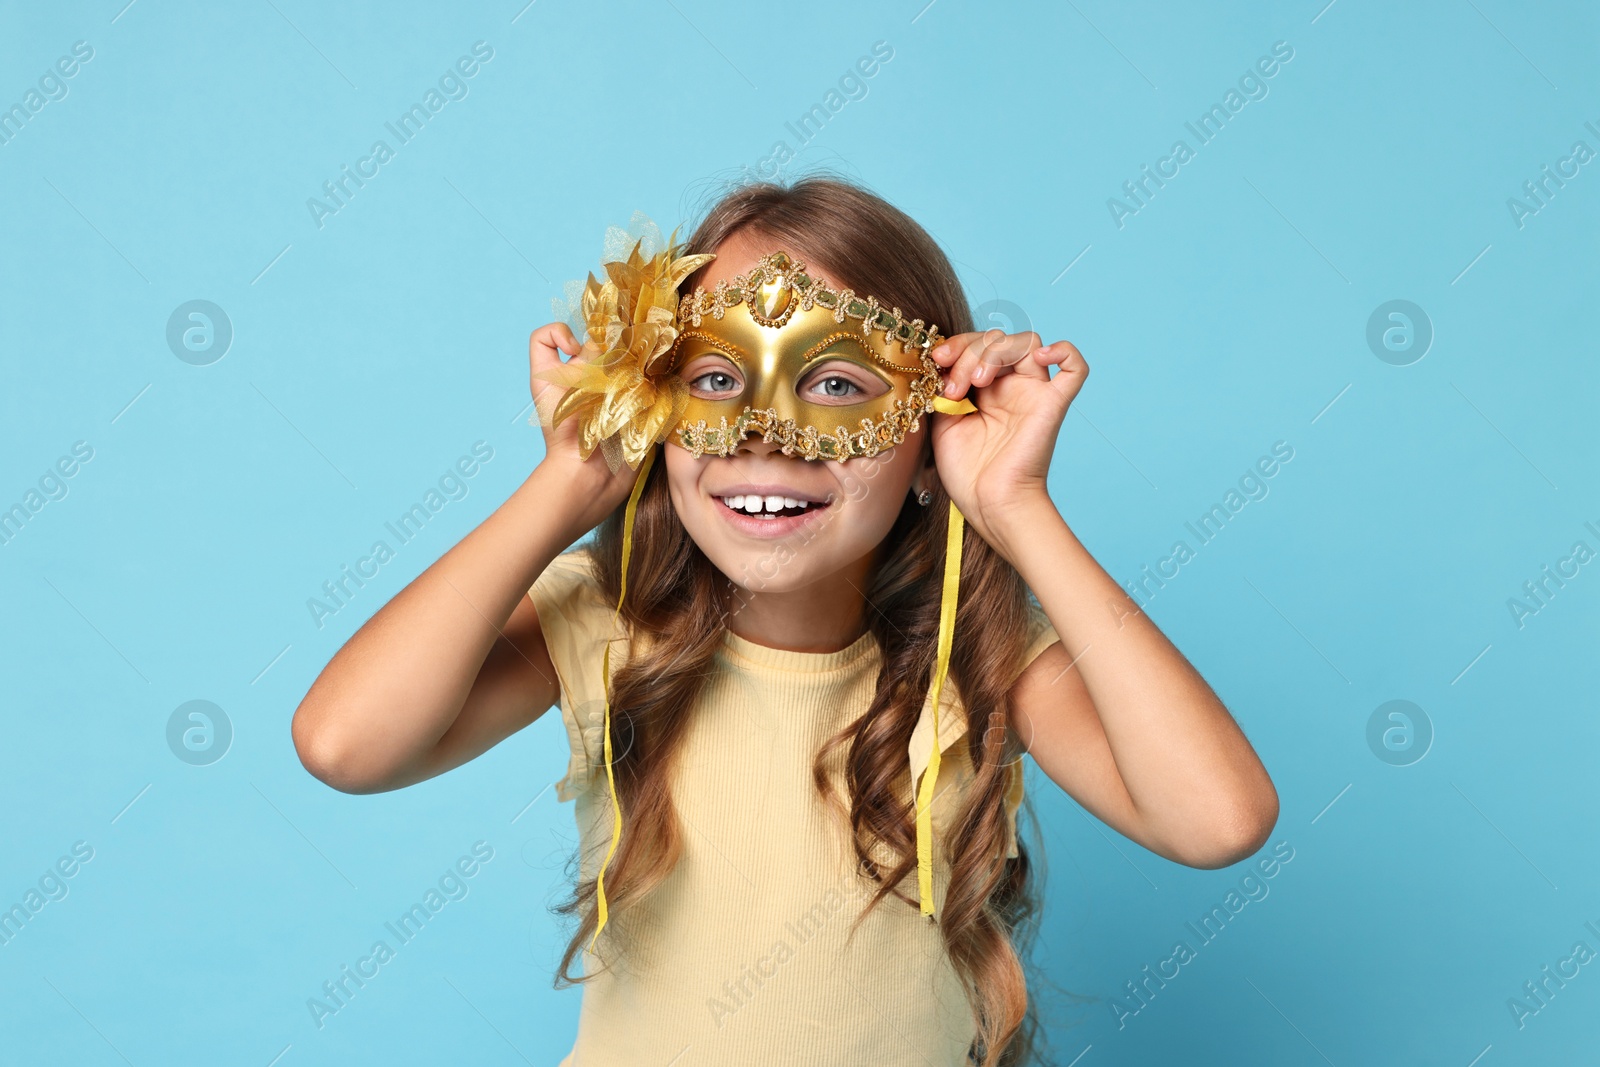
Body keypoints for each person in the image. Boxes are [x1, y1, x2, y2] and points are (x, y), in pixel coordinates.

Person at [290, 177, 1279, 1066]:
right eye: (716, 378)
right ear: (652, 402)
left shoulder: (984, 655)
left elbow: (1216, 820)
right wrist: (567, 481)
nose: (769, 432)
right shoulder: (603, 621)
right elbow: (345, 744)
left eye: (839, 383)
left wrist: (1014, 505)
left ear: (931, 422)